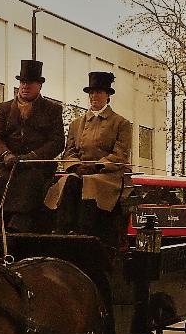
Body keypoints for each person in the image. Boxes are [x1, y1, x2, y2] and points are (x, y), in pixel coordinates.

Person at [45, 71, 133, 246]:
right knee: (68, 181)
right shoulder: (76, 124)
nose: (94, 96)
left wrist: (97, 167)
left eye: (98, 92)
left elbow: (120, 154)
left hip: (109, 175)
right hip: (81, 172)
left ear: (107, 95)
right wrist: (76, 166)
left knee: (90, 183)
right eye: (91, 92)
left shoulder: (121, 123)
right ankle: (63, 230)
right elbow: (69, 152)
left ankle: (86, 231)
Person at [0, 59, 64, 233]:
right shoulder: (4, 108)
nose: (25, 86)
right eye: (22, 82)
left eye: (29, 83)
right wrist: (6, 155)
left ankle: (19, 222)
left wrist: (32, 157)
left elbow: (57, 142)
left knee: (29, 180)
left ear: (39, 86)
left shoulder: (52, 109)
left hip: (37, 167)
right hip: (8, 164)